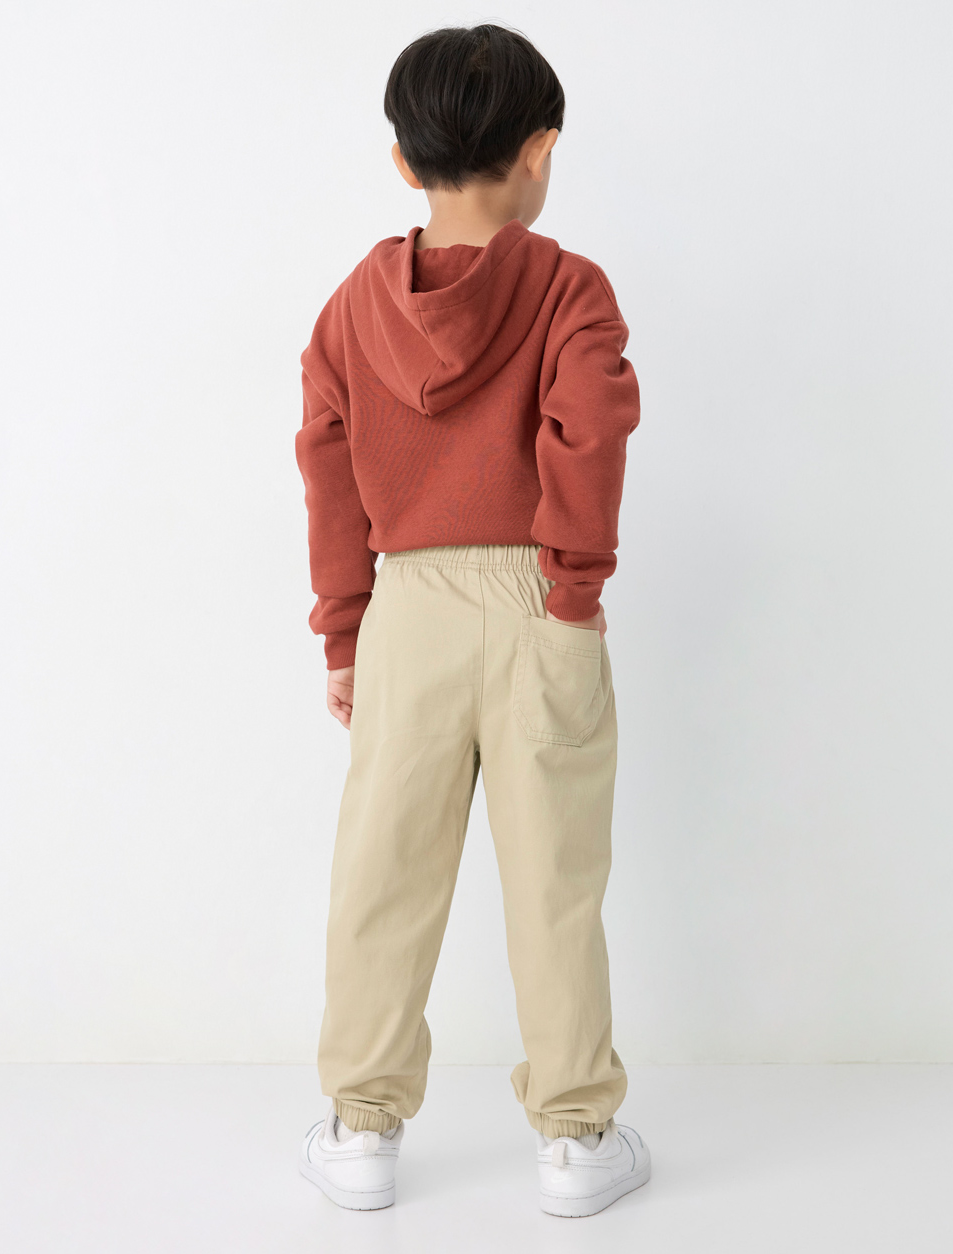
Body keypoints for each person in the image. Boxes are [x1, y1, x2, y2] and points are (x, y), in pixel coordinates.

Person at [294, 23, 649, 1218]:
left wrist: (346, 632)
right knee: (555, 878)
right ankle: (576, 1142)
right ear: (539, 150)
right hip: (539, 595)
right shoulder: (568, 288)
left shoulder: (351, 309)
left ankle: (360, 1129)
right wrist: (572, 591)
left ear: (403, 162)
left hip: (406, 607)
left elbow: (327, 467)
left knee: (382, 870)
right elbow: (589, 436)